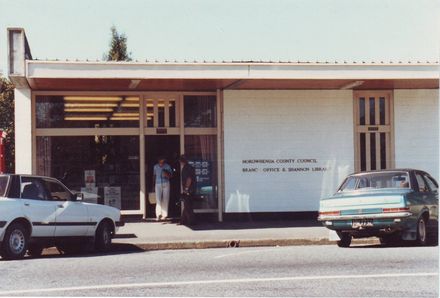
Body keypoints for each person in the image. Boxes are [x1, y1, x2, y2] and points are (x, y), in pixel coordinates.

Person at [153, 157, 173, 221]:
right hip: (157, 183)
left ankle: (164, 215)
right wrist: (153, 185)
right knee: (158, 199)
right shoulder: (155, 166)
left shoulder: (167, 166)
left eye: (162, 160)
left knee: (165, 199)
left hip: (166, 183)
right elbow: (154, 175)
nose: (161, 161)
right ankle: (158, 214)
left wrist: (166, 173)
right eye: (160, 160)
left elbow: (171, 176)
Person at [179, 155, 196, 226]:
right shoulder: (190, 167)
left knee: (188, 206)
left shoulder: (185, 168)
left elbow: (189, 179)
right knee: (187, 205)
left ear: (181, 161)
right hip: (192, 189)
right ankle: (183, 220)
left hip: (189, 190)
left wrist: (186, 189)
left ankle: (191, 222)